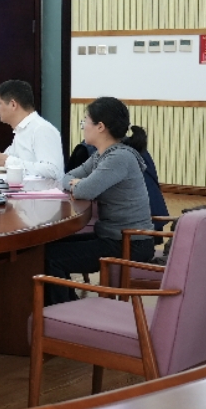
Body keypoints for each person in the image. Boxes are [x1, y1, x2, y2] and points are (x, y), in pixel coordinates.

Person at [42, 97, 155, 305]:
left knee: (50, 258)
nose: (83, 126)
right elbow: (66, 177)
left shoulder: (119, 157)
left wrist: (78, 185)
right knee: (46, 248)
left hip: (130, 243)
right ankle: (69, 306)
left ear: (100, 126)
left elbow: (84, 190)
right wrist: (77, 184)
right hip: (115, 237)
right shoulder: (101, 155)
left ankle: (64, 313)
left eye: (85, 121)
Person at [0, 79, 65, 180]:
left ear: (13, 104)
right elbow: (10, 159)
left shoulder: (41, 129)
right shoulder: (21, 130)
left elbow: (52, 171)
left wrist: (7, 161)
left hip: (42, 190)